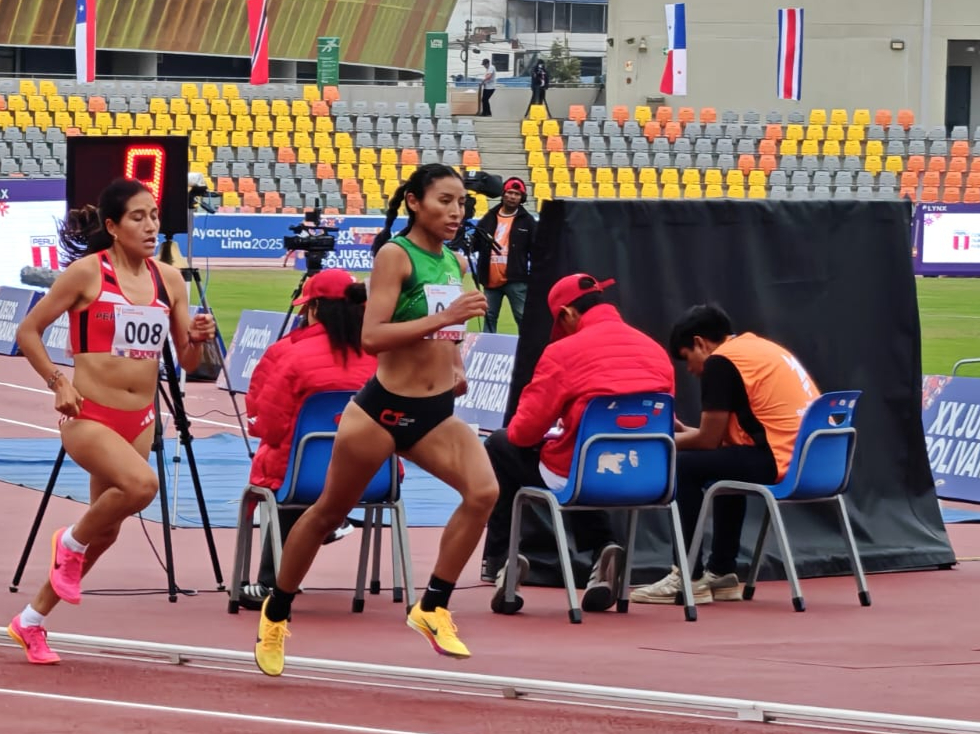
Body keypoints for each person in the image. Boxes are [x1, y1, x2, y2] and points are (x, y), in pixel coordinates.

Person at [253, 163, 499, 677]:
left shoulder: (453, 261)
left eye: (461, 203)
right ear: (414, 201)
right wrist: (446, 319)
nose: (456, 212)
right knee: (325, 511)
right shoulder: (395, 254)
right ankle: (276, 612)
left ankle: (432, 606)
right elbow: (372, 336)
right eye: (444, 201)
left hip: (434, 413)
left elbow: (444, 332)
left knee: (483, 493)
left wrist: (455, 364)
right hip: (382, 411)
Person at [11, 178, 218, 665]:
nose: (150, 226)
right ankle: (68, 540)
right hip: (89, 413)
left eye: (154, 216)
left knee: (107, 531)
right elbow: (29, 331)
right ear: (112, 226)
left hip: (140, 418)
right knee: (142, 487)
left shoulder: (169, 279)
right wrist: (57, 382)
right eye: (138, 217)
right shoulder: (86, 274)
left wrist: (198, 337)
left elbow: (187, 362)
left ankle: (31, 620)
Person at [481, 274, 675, 614]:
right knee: (585, 465)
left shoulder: (563, 352)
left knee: (501, 445)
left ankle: (503, 560)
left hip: (584, 473)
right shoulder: (654, 349)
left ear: (568, 314)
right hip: (651, 476)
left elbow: (522, 433)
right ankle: (603, 547)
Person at [631, 304, 820, 605]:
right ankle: (722, 571)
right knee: (726, 462)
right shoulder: (759, 349)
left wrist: (661, 440)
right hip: (813, 462)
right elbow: (717, 440)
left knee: (682, 466)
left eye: (687, 359)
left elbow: (707, 441)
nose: (691, 370)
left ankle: (687, 575)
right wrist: (682, 432)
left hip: (778, 459)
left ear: (699, 343)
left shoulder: (721, 361)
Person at [238, 268, 376, 608]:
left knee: (282, 471)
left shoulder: (286, 354)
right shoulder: (381, 355)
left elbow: (265, 426)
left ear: (312, 309)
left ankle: (271, 583)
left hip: (300, 478)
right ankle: (331, 520)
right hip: (373, 478)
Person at [471, 178, 535, 333]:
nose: (512, 196)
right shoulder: (489, 217)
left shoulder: (528, 221)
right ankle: (487, 350)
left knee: (523, 317)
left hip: (516, 280)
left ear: (522, 198)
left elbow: (537, 250)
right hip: (490, 280)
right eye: (509, 193)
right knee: (489, 317)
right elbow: (475, 244)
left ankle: (528, 352)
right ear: (503, 194)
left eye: (517, 194)